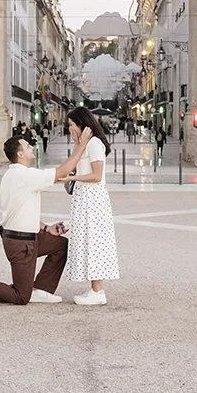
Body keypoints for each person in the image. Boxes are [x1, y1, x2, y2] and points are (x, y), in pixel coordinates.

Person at [0, 129, 89, 307]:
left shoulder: (14, 175)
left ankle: (41, 289)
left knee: (61, 245)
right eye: (28, 146)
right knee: (21, 296)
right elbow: (62, 172)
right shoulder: (24, 175)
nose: (32, 147)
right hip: (20, 243)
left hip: (27, 237)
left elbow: (22, 211)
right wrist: (81, 144)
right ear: (20, 154)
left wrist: (46, 228)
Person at [64, 106, 121, 306]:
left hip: (93, 198)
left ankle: (98, 291)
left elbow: (96, 176)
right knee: (87, 241)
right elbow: (73, 166)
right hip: (84, 197)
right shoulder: (83, 144)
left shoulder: (95, 143)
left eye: (72, 124)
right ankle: (94, 288)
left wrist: (72, 178)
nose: (69, 128)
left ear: (82, 124)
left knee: (94, 241)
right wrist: (77, 144)